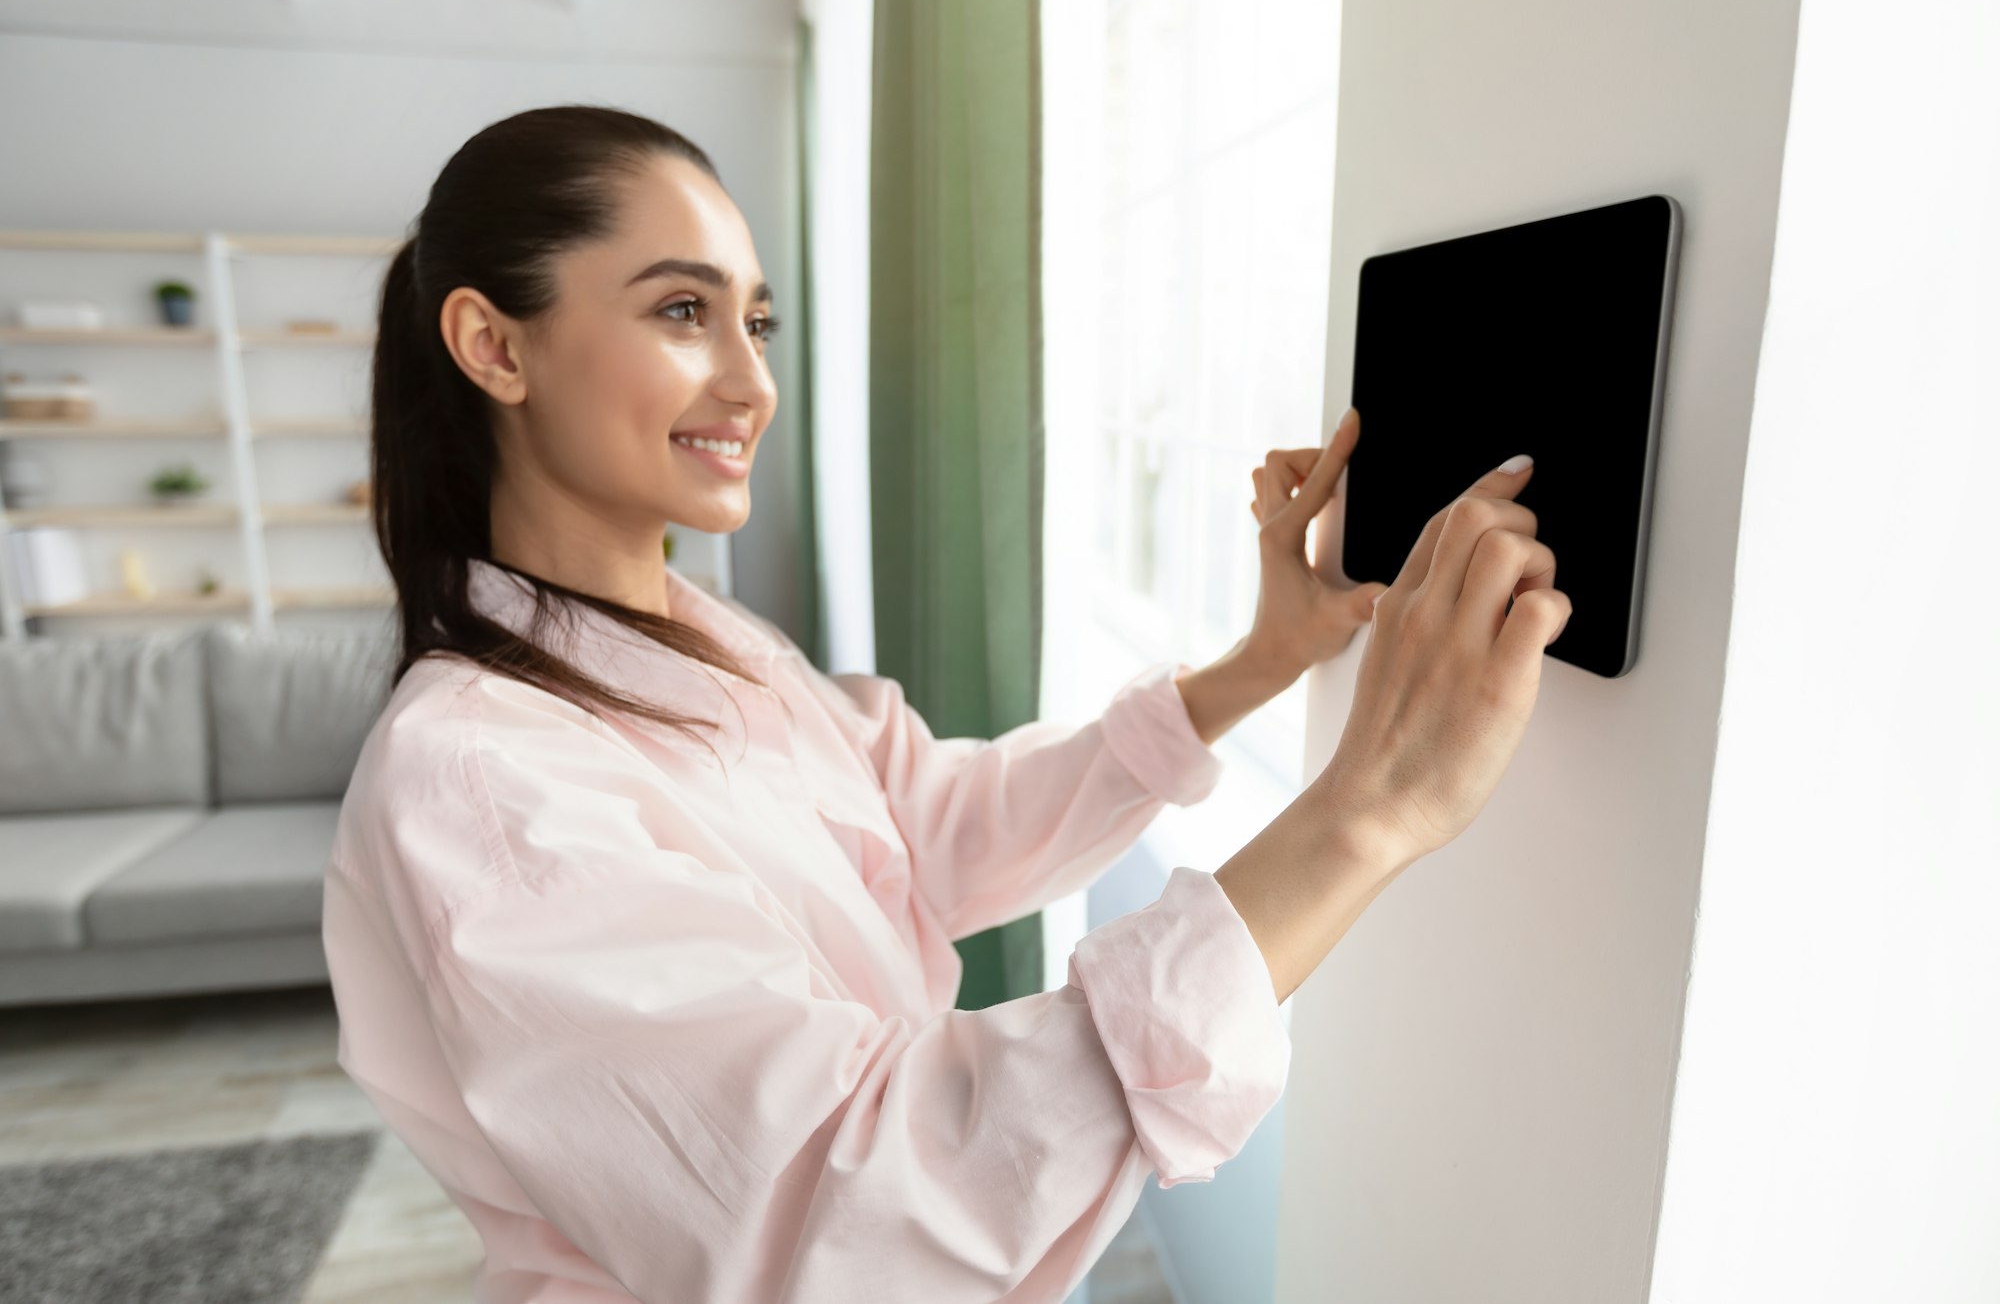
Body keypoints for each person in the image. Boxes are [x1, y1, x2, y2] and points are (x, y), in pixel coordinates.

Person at [322, 103, 1569, 1304]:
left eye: (757, 322)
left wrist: (1257, 661)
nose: (751, 382)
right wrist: (1366, 811)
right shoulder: (478, 780)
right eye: (683, 310)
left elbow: (928, 824)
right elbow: (834, 1207)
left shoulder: (704, 641)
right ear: (494, 345)